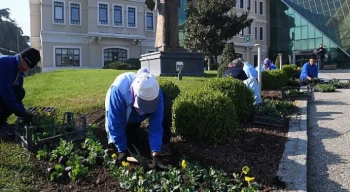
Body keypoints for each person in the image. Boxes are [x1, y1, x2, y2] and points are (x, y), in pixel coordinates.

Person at [105, 68, 171, 169]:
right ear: (134, 94)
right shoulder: (119, 91)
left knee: (166, 100)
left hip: (134, 113)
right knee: (127, 142)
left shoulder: (156, 93)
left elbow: (156, 125)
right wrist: (121, 150)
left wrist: (156, 154)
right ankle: (129, 132)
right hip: (122, 113)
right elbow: (115, 123)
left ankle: (161, 144)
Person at [0, 48, 41, 127]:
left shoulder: (19, 73)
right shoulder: (5, 63)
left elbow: (17, 99)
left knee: (19, 92)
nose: (27, 69)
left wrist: (23, 113)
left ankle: (1, 120)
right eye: (27, 65)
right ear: (22, 57)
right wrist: (17, 110)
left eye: (30, 68)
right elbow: (6, 91)